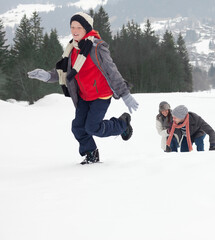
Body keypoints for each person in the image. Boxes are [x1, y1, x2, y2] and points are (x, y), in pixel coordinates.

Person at [27, 12, 139, 164]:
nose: (74, 30)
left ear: (86, 28)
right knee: (78, 128)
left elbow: (112, 71)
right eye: (72, 27)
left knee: (93, 127)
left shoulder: (97, 47)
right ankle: (91, 153)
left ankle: (122, 124)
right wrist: (47, 76)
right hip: (83, 96)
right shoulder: (72, 49)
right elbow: (64, 71)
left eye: (79, 27)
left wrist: (124, 93)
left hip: (101, 95)